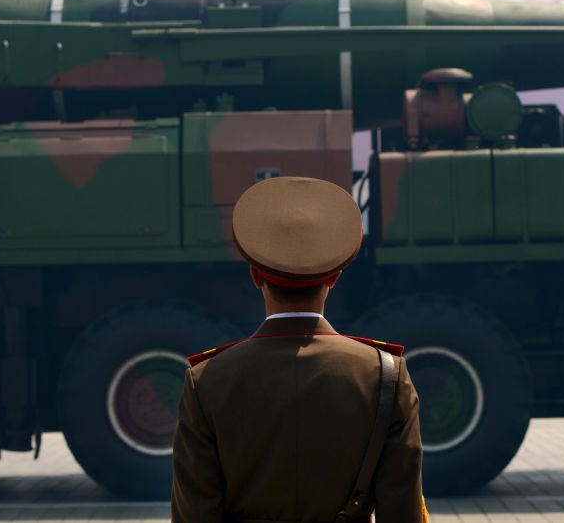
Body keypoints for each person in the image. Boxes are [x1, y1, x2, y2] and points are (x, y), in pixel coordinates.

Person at [171, 176, 427, 523]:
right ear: (335, 277)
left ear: (255, 276)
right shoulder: (385, 375)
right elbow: (403, 514)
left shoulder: (207, 380)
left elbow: (195, 516)